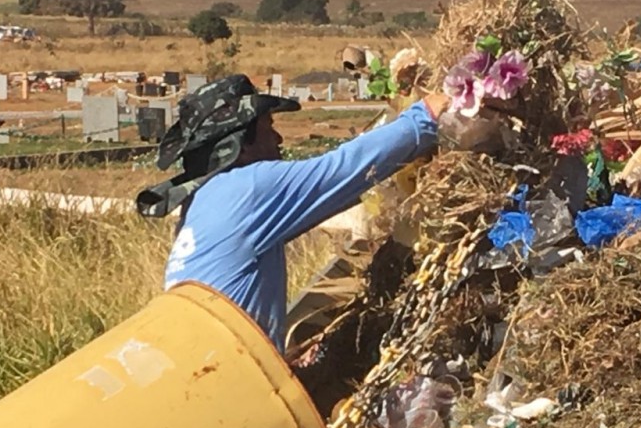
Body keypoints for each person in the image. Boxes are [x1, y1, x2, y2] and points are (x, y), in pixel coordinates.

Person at [136, 74, 450, 355]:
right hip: (227, 385)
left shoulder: (203, 202)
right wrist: (424, 118)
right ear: (239, 144)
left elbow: (327, 196)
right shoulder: (248, 188)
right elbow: (343, 170)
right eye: (268, 128)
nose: (279, 139)